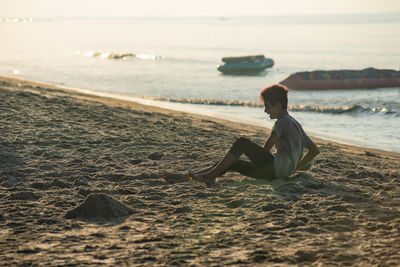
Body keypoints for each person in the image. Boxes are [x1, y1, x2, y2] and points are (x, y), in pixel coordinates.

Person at [189, 84, 320, 186]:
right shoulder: (296, 125)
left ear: (278, 105)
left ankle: (210, 176)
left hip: (273, 169)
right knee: (231, 162)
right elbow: (314, 151)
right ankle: (191, 177)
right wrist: (294, 168)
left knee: (242, 143)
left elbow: (268, 145)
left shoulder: (282, 122)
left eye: (267, 106)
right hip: (279, 173)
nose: (265, 110)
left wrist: (257, 158)